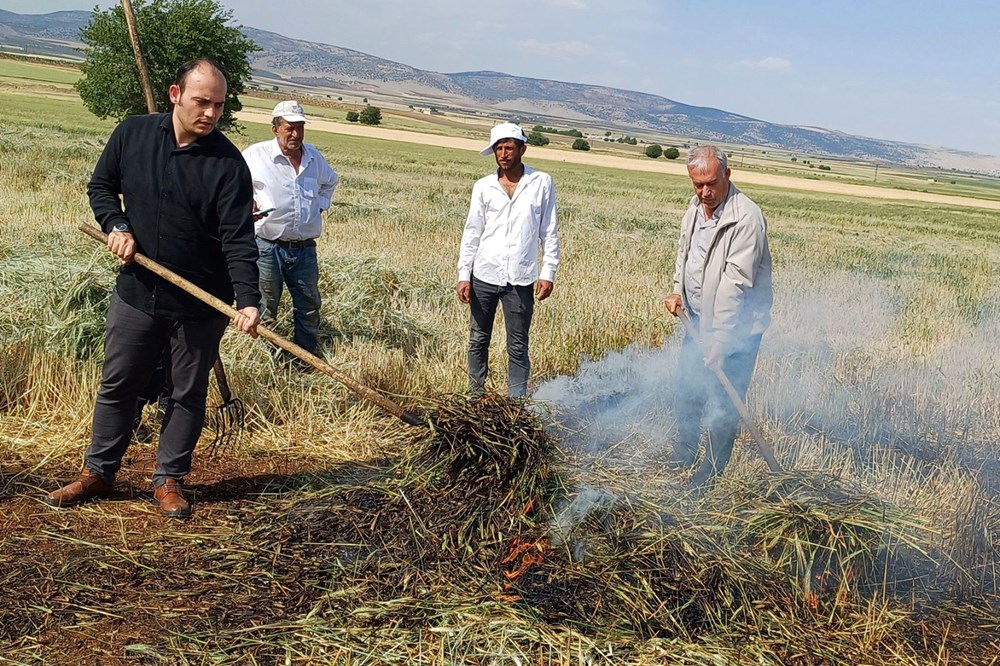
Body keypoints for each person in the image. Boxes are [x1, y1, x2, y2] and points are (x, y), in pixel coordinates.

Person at [44, 57, 260, 519]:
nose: (211, 113)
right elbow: (101, 187)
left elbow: (239, 240)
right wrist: (117, 225)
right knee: (118, 384)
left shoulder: (227, 165)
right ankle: (99, 473)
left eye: (219, 105)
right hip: (138, 292)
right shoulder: (133, 134)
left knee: (186, 393)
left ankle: (168, 480)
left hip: (202, 302)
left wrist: (247, 300)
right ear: (175, 94)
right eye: (202, 102)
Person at [664, 145, 772, 487]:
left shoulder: (746, 218)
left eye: (711, 183)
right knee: (688, 389)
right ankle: (684, 453)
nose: (704, 192)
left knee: (724, 401)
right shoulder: (695, 209)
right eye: (697, 185)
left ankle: (710, 474)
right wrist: (677, 289)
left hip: (735, 331)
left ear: (727, 174)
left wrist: (721, 340)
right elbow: (687, 254)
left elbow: (734, 285)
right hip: (696, 320)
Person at [457, 122, 559, 397]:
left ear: (522, 149)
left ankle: (516, 407)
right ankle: (474, 399)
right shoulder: (483, 187)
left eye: (508, 148)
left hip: (521, 278)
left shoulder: (541, 183)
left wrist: (548, 272)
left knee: (517, 345)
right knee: (478, 340)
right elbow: (472, 231)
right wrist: (463, 275)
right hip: (484, 275)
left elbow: (549, 231)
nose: (503, 154)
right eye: (498, 149)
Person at [242, 100, 339, 355]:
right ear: (275, 129)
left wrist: (320, 205)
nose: (295, 134)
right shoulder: (255, 155)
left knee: (308, 305)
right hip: (267, 246)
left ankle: (305, 357)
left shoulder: (314, 158)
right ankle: (266, 358)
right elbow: (234, 182)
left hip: (304, 249)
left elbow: (331, 182)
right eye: (289, 128)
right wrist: (245, 201)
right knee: (265, 305)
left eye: (299, 128)